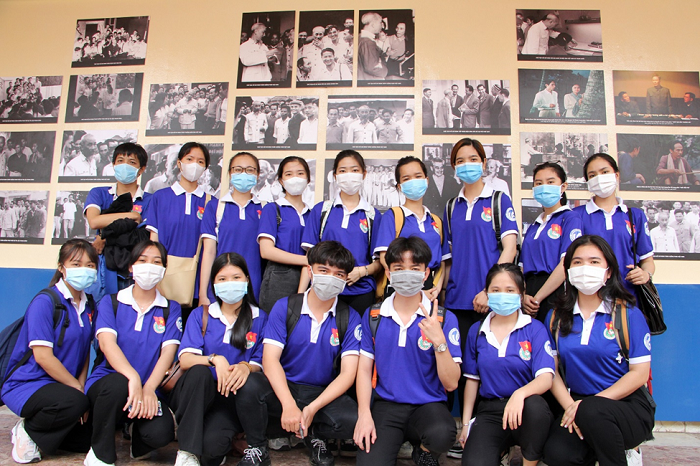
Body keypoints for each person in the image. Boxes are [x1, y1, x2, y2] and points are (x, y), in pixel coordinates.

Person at [237, 241, 361, 466]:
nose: (330, 278)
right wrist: (288, 404)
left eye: (339, 274)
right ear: (310, 270)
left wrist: (312, 408)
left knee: (353, 420)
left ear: (345, 280)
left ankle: (314, 434)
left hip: (321, 393)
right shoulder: (285, 307)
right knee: (249, 385)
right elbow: (270, 360)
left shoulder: (350, 317)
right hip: (285, 387)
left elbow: (347, 374)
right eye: (324, 270)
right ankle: (257, 448)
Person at [542, 235, 654, 466]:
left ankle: (623, 453)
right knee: (557, 455)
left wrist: (588, 405)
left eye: (594, 262)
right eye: (577, 262)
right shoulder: (555, 317)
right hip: (577, 402)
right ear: (568, 270)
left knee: (593, 412)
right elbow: (551, 372)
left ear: (608, 271)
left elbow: (640, 374)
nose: (585, 268)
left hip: (626, 405)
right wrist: (571, 407)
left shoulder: (628, 314)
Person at [354, 237, 462, 466]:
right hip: (386, 405)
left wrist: (439, 342)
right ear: (388, 273)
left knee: (442, 434)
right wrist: (364, 414)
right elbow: (363, 370)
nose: (407, 274)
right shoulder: (374, 316)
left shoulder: (443, 318)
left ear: (426, 274)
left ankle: (423, 451)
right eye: (399, 268)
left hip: (428, 405)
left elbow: (452, 383)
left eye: (414, 269)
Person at [442, 138, 519, 437]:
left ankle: (492, 434)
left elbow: (510, 248)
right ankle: (463, 431)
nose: (467, 165)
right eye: (460, 160)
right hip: (457, 301)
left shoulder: (499, 200)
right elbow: (449, 258)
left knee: (491, 367)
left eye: (473, 159)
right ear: (453, 166)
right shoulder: (451, 206)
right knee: (461, 370)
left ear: (484, 163)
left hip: (492, 302)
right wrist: (441, 291)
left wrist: (491, 291)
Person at [84, 240, 181, 466]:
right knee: (118, 384)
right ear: (131, 267)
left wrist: (149, 387)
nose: (149, 267)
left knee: (161, 433)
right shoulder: (111, 302)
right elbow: (107, 344)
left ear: (164, 269)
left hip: (148, 389)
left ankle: (137, 441)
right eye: (142, 260)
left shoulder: (170, 308)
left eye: (156, 262)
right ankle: (100, 454)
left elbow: (168, 353)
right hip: (110, 386)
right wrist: (133, 378)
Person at [1, 239, 97, 464]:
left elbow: (84, 350)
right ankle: (27, 431)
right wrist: (76, 390)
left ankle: (50, 434)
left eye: (90, 265)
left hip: (61, 386)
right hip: (28, 384)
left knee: (87, 436)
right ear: (61, 267)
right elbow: (43, 357)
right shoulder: (45, 302)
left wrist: (81, 386)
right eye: (76, 264)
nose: (84, 270)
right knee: (75, 402)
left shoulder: (89, 304)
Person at [171, 252, 267, 466]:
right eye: (222, 279)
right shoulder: (201, 315)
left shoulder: (259, 318)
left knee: (212, 451)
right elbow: (185, 359)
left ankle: (212, 439)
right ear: (213, 284)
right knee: (199, 372)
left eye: (236, 277)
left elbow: (260, 362)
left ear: (247, 280)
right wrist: (215, 359)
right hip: (197, 392)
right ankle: (187, 452)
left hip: (228, 399)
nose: (229, 283)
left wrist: (246, 367)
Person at [459, 263, 554, 466]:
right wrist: (466, 424)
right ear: (486, 293)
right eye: (495, 290)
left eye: (510, 290)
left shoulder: (535, 329)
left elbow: (546, 378)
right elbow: (472, 381)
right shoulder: (477, 331)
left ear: (521, 294)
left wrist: (520, 394)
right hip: (491, 411)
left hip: (526, 409)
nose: (502, 295)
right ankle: (501, 451)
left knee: (536, 408)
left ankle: (530, 462)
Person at [301, 150, 383, 316]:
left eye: (355, 170)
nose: (349, 175)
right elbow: (309, 259)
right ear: (335, 175)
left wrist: (361, 272)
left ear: (364, 174)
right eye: (343, 171)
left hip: (360, 290)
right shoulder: (321, 210)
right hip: (324, 290)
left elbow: (380, 262)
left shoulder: (373, 215)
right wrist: (300, 295)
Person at [144, 142, 212, 319]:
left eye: (200, 161)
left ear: (205, 168)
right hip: (164, 279)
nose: (194, 165)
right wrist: (154, 278)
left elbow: (210, 248)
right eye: (189, 159)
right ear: (179, 163)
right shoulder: (160, 197)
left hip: (197, 280)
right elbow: (153, 241)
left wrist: (203, 291)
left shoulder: (211, 202)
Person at [574, 153, 655, 299]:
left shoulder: (635, 215)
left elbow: (647, 261)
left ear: (616, 175)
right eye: (592, 175)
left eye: (605, 172)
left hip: (628, 296)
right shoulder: (576, 215)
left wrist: (645, 274)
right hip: (588, 297)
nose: (599, 178)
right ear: (588, 182)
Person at [374, 157, 449, 301]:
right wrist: (412, 289)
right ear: (399, 186)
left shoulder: (436, 221)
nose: (413, 181)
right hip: (401, 285)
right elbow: (384, 258)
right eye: (407, 178)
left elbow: (443, 262)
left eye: (418, 176)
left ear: (427, 180)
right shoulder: (393, 216)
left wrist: (437, 289)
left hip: (431, 288)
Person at [84, 143, 152, 293]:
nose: (125, 166)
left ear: (141, 169)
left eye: (132, 162)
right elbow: (94, 221)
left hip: (135, 270)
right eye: (120, 161)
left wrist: (105, 237)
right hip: (104, 268)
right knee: (103, 305)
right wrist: (132, 216)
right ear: (113, 164)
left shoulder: (151, 200)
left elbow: (142, 236)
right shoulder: (99, 193)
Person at [199, 152, 264, 308]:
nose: (244, 174)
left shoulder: (265, 208)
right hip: (221, 286)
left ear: (257, 175)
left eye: (250, 170)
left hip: (254, 288)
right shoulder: (215, 207)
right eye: (238, 169)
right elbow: (209, 252)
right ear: (229, 173)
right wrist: (202, 294)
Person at [521, 162, 582, 322]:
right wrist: (523, 296)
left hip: (554, 293)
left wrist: (537, 299)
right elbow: (522, 266)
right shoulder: (534, 226)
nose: (544, 187)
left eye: (550, 182)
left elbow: (566, 264)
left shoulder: (570, 218)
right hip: (528, 296)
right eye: (538, 183)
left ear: (563, 187)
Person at [257, 156, 312, 312]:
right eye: (289, 174)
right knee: (275, 322)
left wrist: (301, 291)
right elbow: (266, 251)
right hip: (278, 278)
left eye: (300, 173)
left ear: (308, 179)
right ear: (281, 181)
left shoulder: (312, 214)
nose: (295, 178)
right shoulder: (273, 209)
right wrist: (306, 260)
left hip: (308, 278)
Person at [357, 12, 388, 81]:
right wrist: (385, 71)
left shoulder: (360, 37)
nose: (382, 26)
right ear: (373, 25)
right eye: (380, 23)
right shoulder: (367, 42)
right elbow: (372, 68)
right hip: (370, 79)